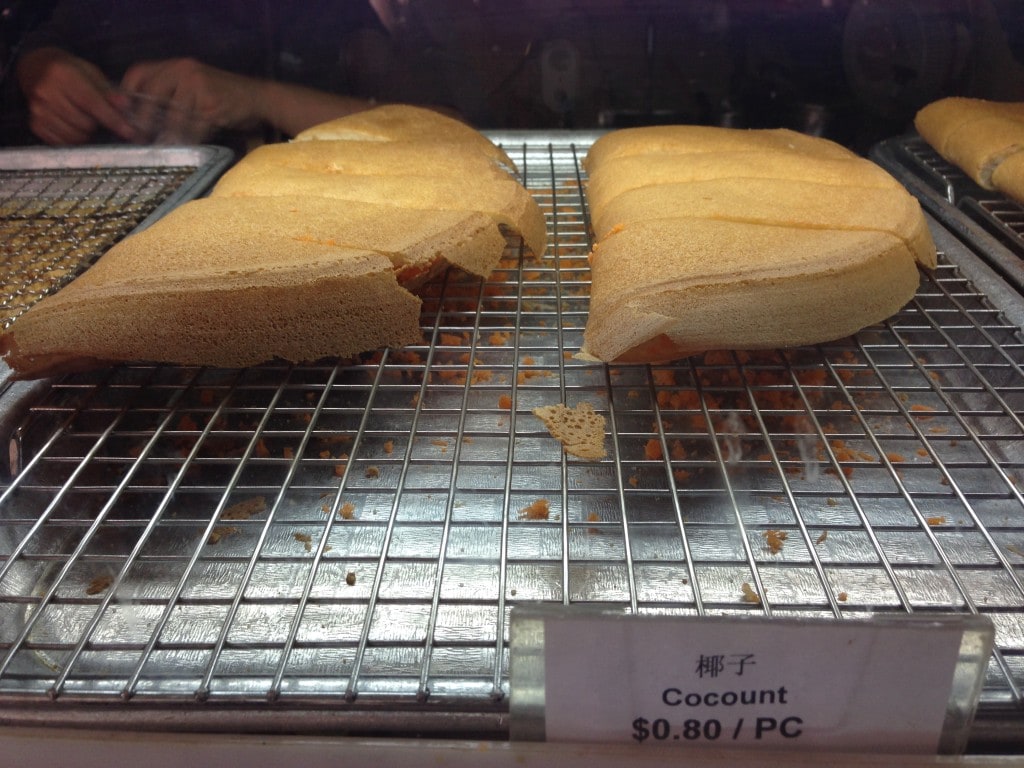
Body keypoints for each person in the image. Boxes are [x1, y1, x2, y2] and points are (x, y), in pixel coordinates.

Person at [2, 0, 396, 149]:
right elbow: (42, 43)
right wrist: (39, 70)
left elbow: (438, 124)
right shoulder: (113, 8)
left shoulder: (325, 12)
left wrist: (259, 98)